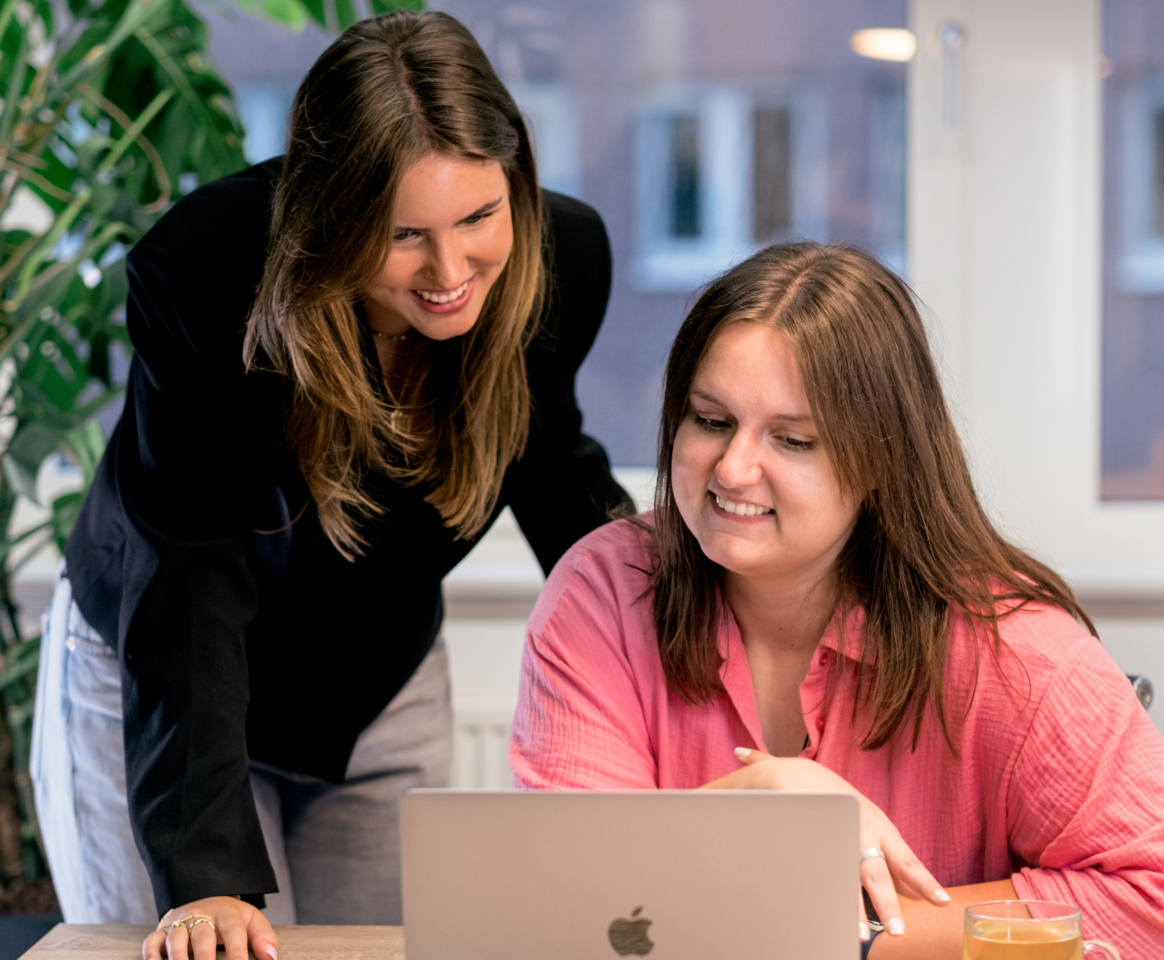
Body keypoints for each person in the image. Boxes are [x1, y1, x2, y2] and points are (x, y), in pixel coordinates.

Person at [29, 10, 630, 960]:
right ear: (331, 220)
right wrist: (208, 880)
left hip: (374, 680)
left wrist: (684, 619)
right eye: (403, 237)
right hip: (170, 669)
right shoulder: (206, 273)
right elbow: (189, 578)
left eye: (479, 217)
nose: (451, 274)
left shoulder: (564, 258)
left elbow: (549, 460)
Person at [510, 243, 1164, 959]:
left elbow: (1149, 897)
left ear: (882, 462)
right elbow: (563, 901)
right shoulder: (603, 592)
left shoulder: (1016, 648)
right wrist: (749, 805)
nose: (732, 470)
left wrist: (849, 936)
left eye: (793, 440)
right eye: (711, 421)